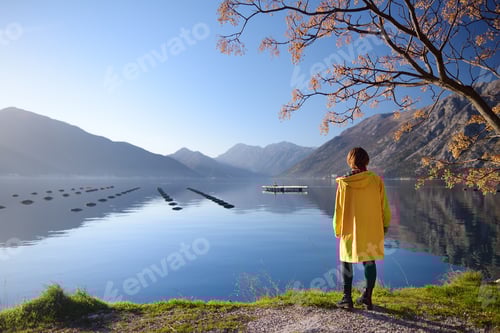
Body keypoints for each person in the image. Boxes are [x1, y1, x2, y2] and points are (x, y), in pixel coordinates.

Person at [333, 147, 391, 309]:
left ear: (350, 161)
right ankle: (367, 297)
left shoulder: (344, 183)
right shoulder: (376, 180)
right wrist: (385, 224)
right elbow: (384, 206)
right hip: (372, 226)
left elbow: (338, 209)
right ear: (367, 160)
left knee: (346, 260)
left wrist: (337, 228)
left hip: (349, 227)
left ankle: (347, 298)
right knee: (369, 259)